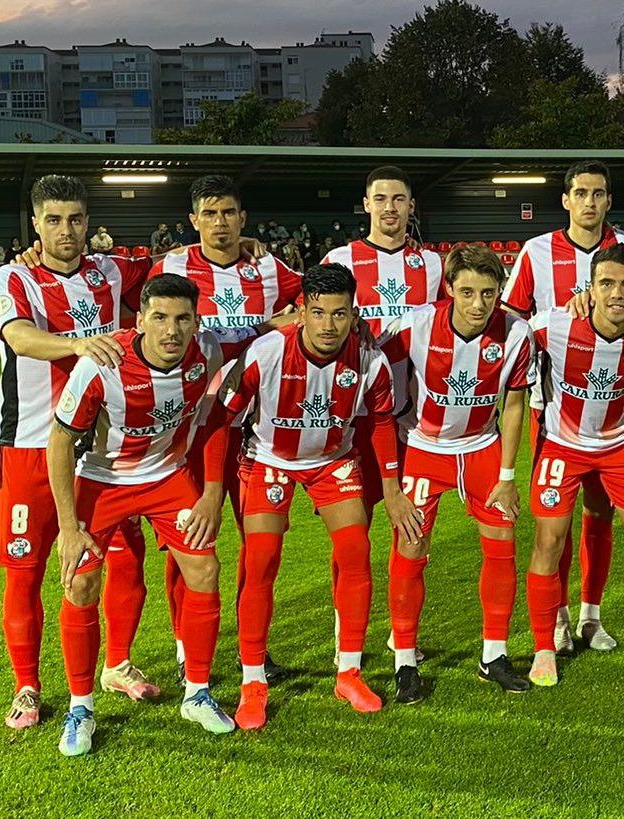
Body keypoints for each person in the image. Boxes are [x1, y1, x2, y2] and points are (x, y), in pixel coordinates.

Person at [50, 273, 254, 755]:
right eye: (159, 317)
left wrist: (209, 495)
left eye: (183, 319)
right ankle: (81, 707)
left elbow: (212, 423)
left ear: (196, 321)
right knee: (80, 581)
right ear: (139, 320)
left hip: (167, 478)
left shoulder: (207, 355)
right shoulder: (102, 366)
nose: (172, 330)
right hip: (103, 481)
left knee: (204, 568)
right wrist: (67, 527)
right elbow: (59, 441)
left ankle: (197, 693)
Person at [212, 263, 421, 727]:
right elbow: (217, 423)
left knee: (355, 551)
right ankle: (253, 681)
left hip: (333, 460)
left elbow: (383, 422)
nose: (329, 326)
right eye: (318, 312)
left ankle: (348, 672)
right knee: (261, 559)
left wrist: (392, 489)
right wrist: (210, 494)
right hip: (269, 460)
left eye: (340, 314)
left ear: (354, 314)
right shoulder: (264, 353)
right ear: (300, 311)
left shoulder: (370, 359)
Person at [0, 174, 154, 731]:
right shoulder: (12, 276)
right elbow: (18, 337)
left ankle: (117, 664)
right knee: (26, 570)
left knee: (125, 557)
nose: (66, 231)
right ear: (35, 223)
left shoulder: (110, 271)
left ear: (89, 221)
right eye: (53, 220)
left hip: (102, 451)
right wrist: (77, 344)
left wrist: (242, 245)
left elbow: (177, 266)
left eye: (76, 219)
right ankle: (28, 685)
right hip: (30, 445)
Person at [152, 174, 304, 684]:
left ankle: (250, 649)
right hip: (195, 427)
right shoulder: (170, 267)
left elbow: (312, 301)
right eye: (210, 214)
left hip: (258, 427)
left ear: (244, 218)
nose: (221, 223)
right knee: (190, 538)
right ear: (193, 221)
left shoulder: (268, 268)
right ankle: (182, 647)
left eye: (230, 213)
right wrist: (30, 255)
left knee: (257, 542)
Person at [502, 159, 624, 654]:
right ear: (565, 200)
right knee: (556, 522)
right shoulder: (535, 251)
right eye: (581, 193)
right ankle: (559, 618)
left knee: (601, 512)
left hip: (612, 411)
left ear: (609, 200)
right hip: (554, 410)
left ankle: (591, 615)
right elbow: (509, 323)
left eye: (599, 193)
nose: (590, 201)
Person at [378, 245, 534, 701]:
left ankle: (494, 655)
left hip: (482, 450)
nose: (478, 304)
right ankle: (405, 659)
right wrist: (391, 480)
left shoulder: (517, 333)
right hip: (423, 449)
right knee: (411, 547)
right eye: (466, 292)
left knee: (502, 545)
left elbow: (516, 403)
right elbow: (378, 392)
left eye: (488, 292)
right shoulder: (412, 327)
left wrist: (507, 475)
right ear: (448, 289)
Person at [526, 244, 624, 686]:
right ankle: (543, 645)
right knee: (549, 541)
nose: (617, 294)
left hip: (620, 446)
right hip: (563, 444)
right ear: (589, 289)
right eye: (607, 283)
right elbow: (500, 331)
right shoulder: (553, 325)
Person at [321, 165, 446, 519]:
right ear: (366, 205)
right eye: (380, 199)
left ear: (411, 206)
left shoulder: (432, 264)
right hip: (353, 412)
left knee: (411, 522)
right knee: (353, 528)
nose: (389, 207)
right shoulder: (339, 260)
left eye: (398, 199)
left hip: (412, 414)